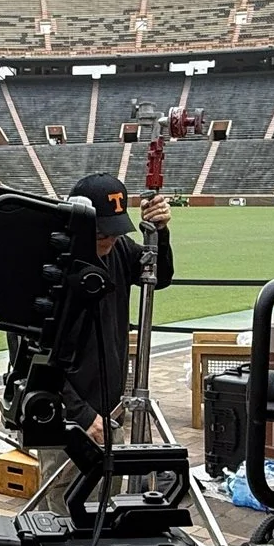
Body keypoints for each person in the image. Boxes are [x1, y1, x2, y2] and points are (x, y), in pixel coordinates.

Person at [57, 171, 173, 446]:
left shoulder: (118, 248)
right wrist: (81, 415)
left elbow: (161, 277)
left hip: (111, 407)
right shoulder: (52, 262)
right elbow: (30, 353)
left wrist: (160, 232)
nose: (109, 239)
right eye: (101, 233)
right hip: (67, 417)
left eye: (116, 230)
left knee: (111, 488)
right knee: (68, 488)